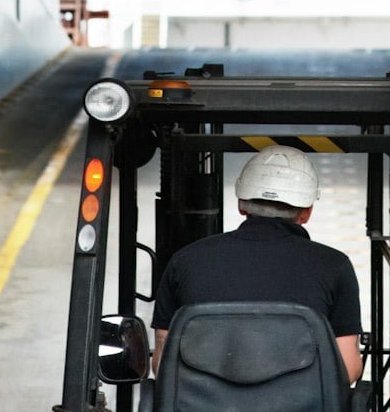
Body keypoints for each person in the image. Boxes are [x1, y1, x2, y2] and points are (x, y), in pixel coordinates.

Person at [152, 145, 363, 384]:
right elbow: (347, 368)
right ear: (307, 212)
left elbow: (162, 363)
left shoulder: (185, 260)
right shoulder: (334, 266)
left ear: (241, 204)